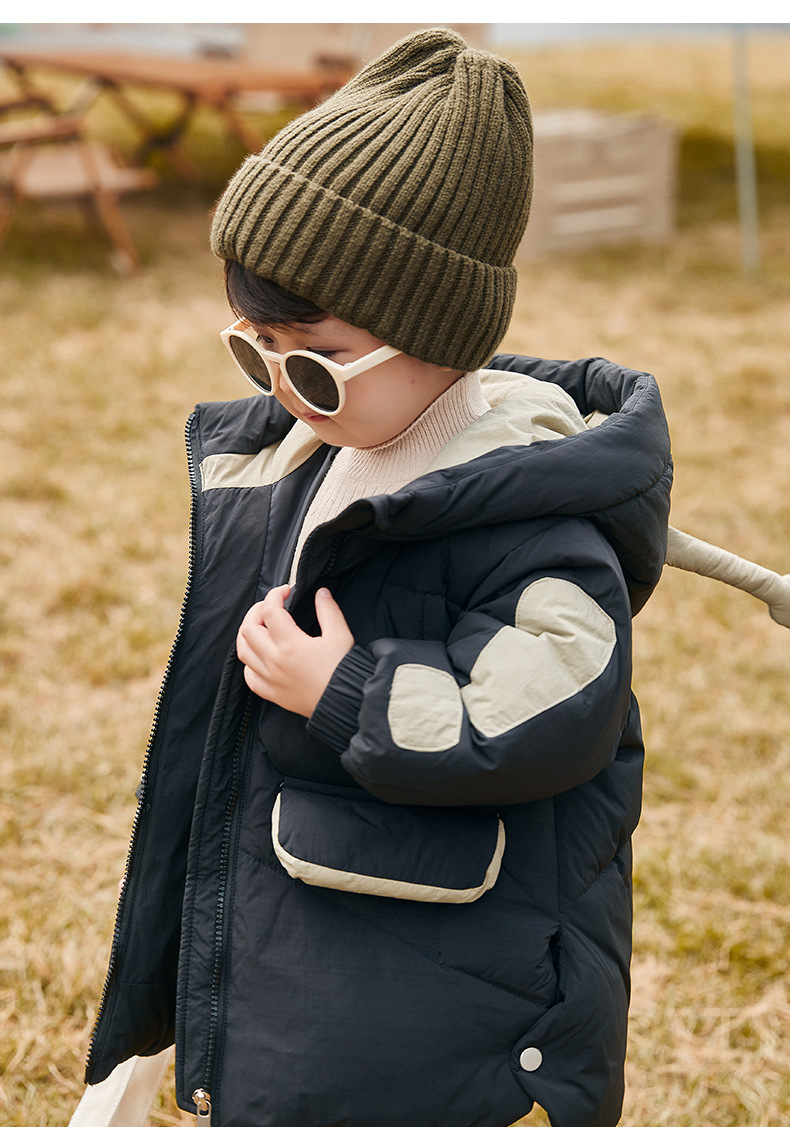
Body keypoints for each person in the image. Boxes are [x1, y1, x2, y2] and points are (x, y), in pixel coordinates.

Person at [77, 27, 674, 1127]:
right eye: (252, 349)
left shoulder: (532, 514)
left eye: (306, 355)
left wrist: (347, 690)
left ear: (436, 331)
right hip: (303, 919)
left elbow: (548, 711)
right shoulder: (325, 445)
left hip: (432, 966)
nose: (278, 384)